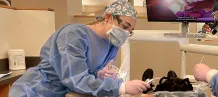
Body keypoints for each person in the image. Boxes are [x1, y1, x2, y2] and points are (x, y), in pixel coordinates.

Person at [9, 0, 150, 97]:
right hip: (36, 92)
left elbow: (87, 75)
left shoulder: (112, 42)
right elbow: (75, 79)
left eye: (130, 31)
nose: (125, 33)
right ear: (108, 18)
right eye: (125, 27)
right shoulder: (74, 35)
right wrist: (122, 87)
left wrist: (99, 74)